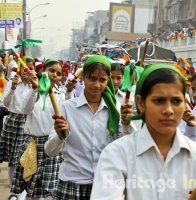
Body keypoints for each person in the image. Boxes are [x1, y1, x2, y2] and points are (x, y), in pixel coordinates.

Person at [90, 64, 196, 199]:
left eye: (176, 101)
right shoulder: (117, 155)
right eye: (159, 101)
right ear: (141, 103)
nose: (168, 110)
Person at [44, 55, 136, 200]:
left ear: (108, 81)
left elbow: (129, 146)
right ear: (83, 78)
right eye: (92, 78)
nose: (96, 85)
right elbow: (50, 151)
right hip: (72, 184)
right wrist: (61, 135)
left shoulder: (117, 110)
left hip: (105, 186)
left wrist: (126, 123)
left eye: (102, 80)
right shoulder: (67, 108)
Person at [11, 59, 65, 199]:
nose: (54, 75)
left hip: (52, 145)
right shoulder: (31, 91)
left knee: (50, 189)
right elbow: (25, 109)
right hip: (32, 145)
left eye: (58, 73)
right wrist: (35, 89)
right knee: (31, 188)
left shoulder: (61, 95)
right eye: (51, 71)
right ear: (43, 72)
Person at [0, 56, 36, 200]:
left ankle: (22, 191)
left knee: (24, 158)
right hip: (13, 121)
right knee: (12, 159)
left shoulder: (37, 85)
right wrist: (13, 87)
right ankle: (14, 191)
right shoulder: (12, 82)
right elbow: (6, 102)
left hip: (28, 123)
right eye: (25, 69)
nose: (27, 72)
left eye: (31, 69)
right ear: (20, 70)